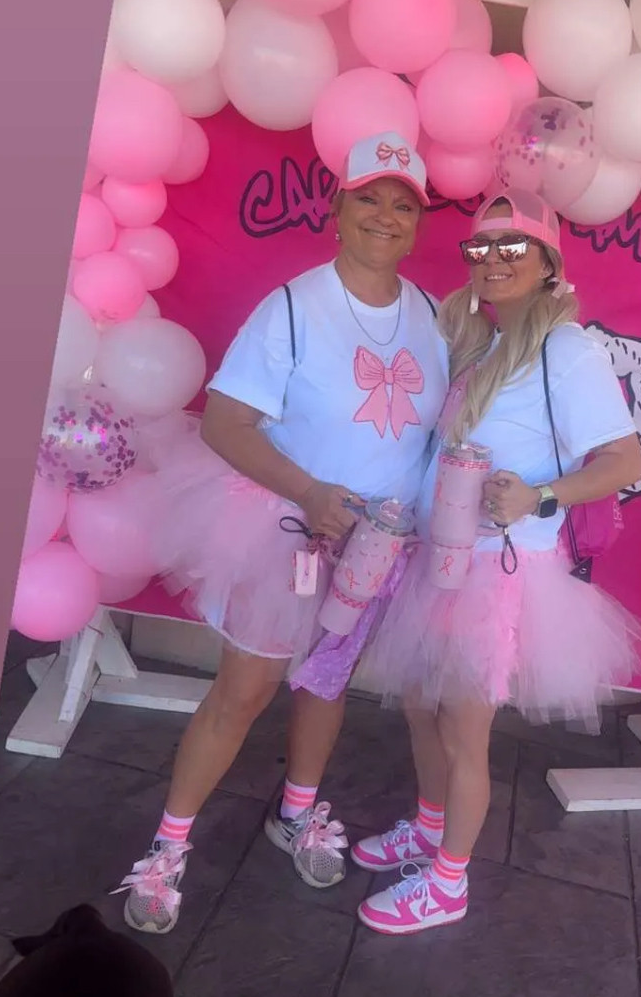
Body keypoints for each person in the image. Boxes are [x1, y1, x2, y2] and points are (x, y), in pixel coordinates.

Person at [116, 133, 449, 935]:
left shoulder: (432, 314)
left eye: (403, 205)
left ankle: (297, 812)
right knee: (245, 689)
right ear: (338, 207)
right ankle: (168, 846)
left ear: (417, 224)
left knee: (326, 682)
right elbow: (225, 423)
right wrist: (310, 491)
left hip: (376, 547)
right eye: (369, 198)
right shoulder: (294, 307)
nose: (385, 215)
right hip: (288, 531)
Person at [348, 186, 641, 937]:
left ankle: (448, 882)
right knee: (421, 705)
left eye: (511, 246)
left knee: (463, 729)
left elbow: (624, 460)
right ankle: (429, 827)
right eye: (479, 247)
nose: (492, 259)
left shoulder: (567, 351)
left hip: (499, 573)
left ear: (549, 263)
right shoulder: (478, 340)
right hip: (441, 559)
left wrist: (540, 495)